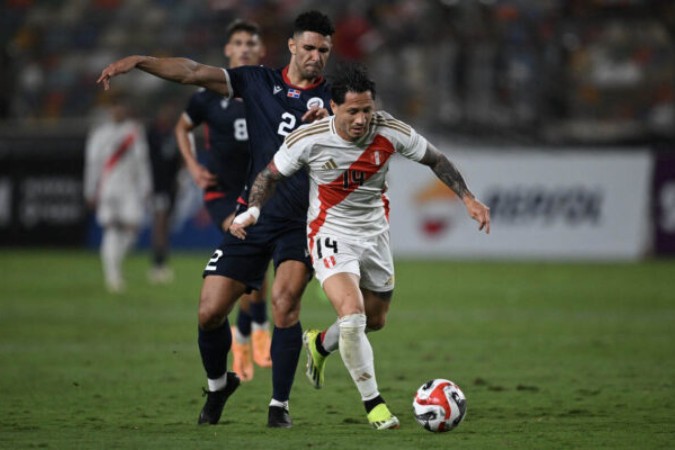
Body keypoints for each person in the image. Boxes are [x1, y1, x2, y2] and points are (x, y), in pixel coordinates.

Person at [97, 11, 335, 427]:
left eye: (324, 50)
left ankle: (278, 406)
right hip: (252, 214)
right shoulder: (258, 82)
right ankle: (219, 384)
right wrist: (139, 60)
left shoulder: (335, 96)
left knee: (284, 303)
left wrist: (332, 124)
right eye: (310, 47)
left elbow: (365, 127)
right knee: (209, 312)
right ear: (293, 46)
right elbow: (190, 72)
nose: (317, 56)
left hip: (302, 220)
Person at [230, 63, 491, 430]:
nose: (362, 119)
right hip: (329, 233)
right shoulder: (310, 137)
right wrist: (254, 209)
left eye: (367, 110)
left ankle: (320, 344)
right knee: (352, 316)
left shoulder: (389, 130)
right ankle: (375, 405)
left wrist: (468, 199)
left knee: (375, 320)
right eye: (353, 111)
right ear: (334, 107)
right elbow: (268, 175)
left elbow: (435, 159)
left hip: (375, 235)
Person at [174, 20, 272, 383]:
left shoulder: (267, 93)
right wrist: (193, 166)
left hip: (260, 191)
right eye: (238, 42)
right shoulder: (205, 97)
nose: (244, 48)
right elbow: (181, 128)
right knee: (244, 251)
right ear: (228, 50)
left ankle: (250, 329)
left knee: (259, 266)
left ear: (261, 51)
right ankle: (250, 335)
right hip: (223, 195)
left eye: (251, 42)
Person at [83, 94, 151, 293]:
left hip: (130, 188)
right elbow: (93, 164)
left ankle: (116, 264)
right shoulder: (100, 134)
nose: (118, 111)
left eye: (121, 107)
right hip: (108, 188)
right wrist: (90, 190)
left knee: (133, 226)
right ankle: (112, 275)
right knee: (111, 229)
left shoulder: (134, 131)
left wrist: (145, 186)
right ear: (109, 110)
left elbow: (142, 162)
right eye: (115, 107)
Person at [147, 101, 182, 285]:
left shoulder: (174, 133)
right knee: (159, 223)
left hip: (170, 186)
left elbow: (179, 158)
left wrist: (179, 179)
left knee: (165, 224)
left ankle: (162, 262)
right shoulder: (152, 133)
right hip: (157, 185)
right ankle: (157, 263)